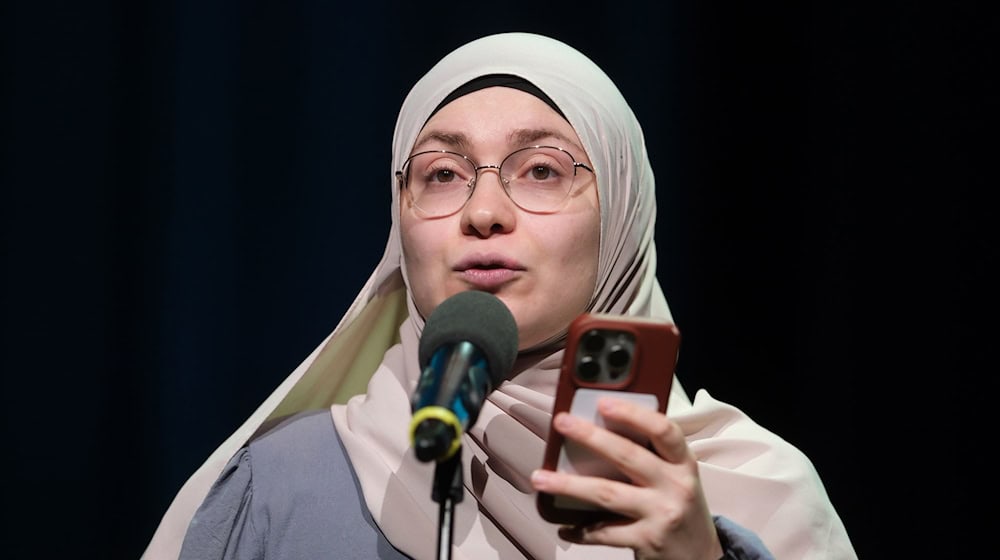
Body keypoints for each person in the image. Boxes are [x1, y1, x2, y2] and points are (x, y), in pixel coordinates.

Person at [143, 32, 856, 559]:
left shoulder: (759, 495)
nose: (484, 211)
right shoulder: (279, 490)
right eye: (443, 173)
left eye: (542, 170)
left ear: (623, 219)